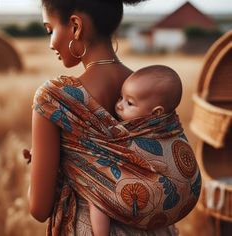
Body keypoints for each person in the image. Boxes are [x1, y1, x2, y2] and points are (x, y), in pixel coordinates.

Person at [25, 0, 201, 235]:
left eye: (50, 30)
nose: (50, 43)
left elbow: (39, 209)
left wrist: (43, 166)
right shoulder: (151, 90)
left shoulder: (53, 99)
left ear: (76, 26)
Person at [88, 64, 183, 235]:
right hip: (154, 200)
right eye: (120, 98)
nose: (119, 105)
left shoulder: (144, 132)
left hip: (143, 194)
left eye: (129, 102)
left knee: (96, 193)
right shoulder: (166, 126)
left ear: (156, 114)